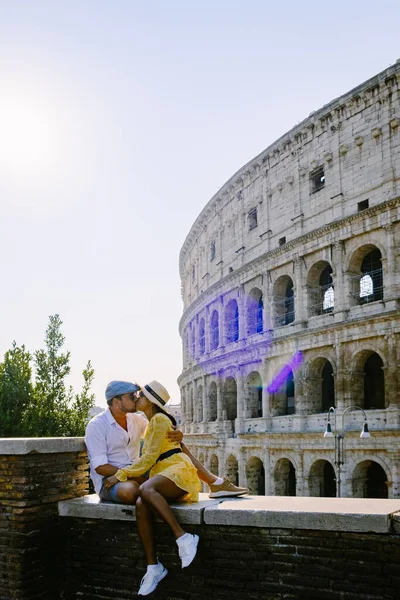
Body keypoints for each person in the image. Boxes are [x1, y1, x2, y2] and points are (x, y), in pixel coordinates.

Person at [103, 381, 201, 595]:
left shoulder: (158, 419)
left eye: (141, 396)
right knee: (141, 503)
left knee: (145, 490)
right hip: (164, 475)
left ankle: (183, 537)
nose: (137, 398)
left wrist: (119, 474)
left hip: (177, 471)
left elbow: (147, 460)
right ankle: (153, 566)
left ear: (151, 402)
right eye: (135, 395)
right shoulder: (150, 422)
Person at [85, 380, 248, 504]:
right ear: (116, 401)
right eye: (131, 396)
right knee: (131, 491)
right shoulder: (97, 426)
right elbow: (100, 467)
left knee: (176, 446)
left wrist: (177, 433)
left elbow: (161, 434)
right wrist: (130, 473)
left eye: (137, 395)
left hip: (137, 473)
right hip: (110, 481)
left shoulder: (135, 420)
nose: (136, 398)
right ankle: (212, 484)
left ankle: (215, 482)